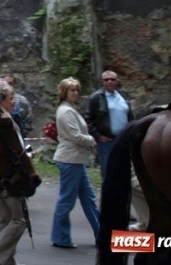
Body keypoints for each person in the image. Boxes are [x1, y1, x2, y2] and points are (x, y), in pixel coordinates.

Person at [0, 80, 28, 265]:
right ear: (1, 101)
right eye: (11, 98)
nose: (14, 102)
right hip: (10, 178)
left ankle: (6, 262)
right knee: (19, 220)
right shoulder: (7, 123)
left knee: (5, 220)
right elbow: (16, 152)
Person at [51, 77, 100, 249]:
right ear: (64, 92)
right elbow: (76, 136)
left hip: (75, 160)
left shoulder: (69, 109)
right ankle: (60, 237)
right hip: (70, 159)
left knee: (89, 198)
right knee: (67, 200)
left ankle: (101, 234)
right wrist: (93, 140)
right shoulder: (66, 111)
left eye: (77, 90)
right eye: (72, 90)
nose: (76, 93)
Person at [84, 69, 133, 178]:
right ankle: (108, 195)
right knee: (108, 173)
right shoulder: (96, 98)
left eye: (112, 79)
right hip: (107, 142)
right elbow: (88, 119)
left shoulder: (123, 97)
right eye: (106, 80)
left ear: (117, 81)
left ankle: (123, 195)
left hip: (123, 141)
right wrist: (98, 136)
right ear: (102, 82)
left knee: (124, 172)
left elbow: (130, 118)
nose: (110, 81)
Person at [1, 73, 33, 137]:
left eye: (10, 83)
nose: (8, 85)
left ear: (14, 84)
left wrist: (19, 136)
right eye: (5, 83)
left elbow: (28, 122)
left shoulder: (22, 101)